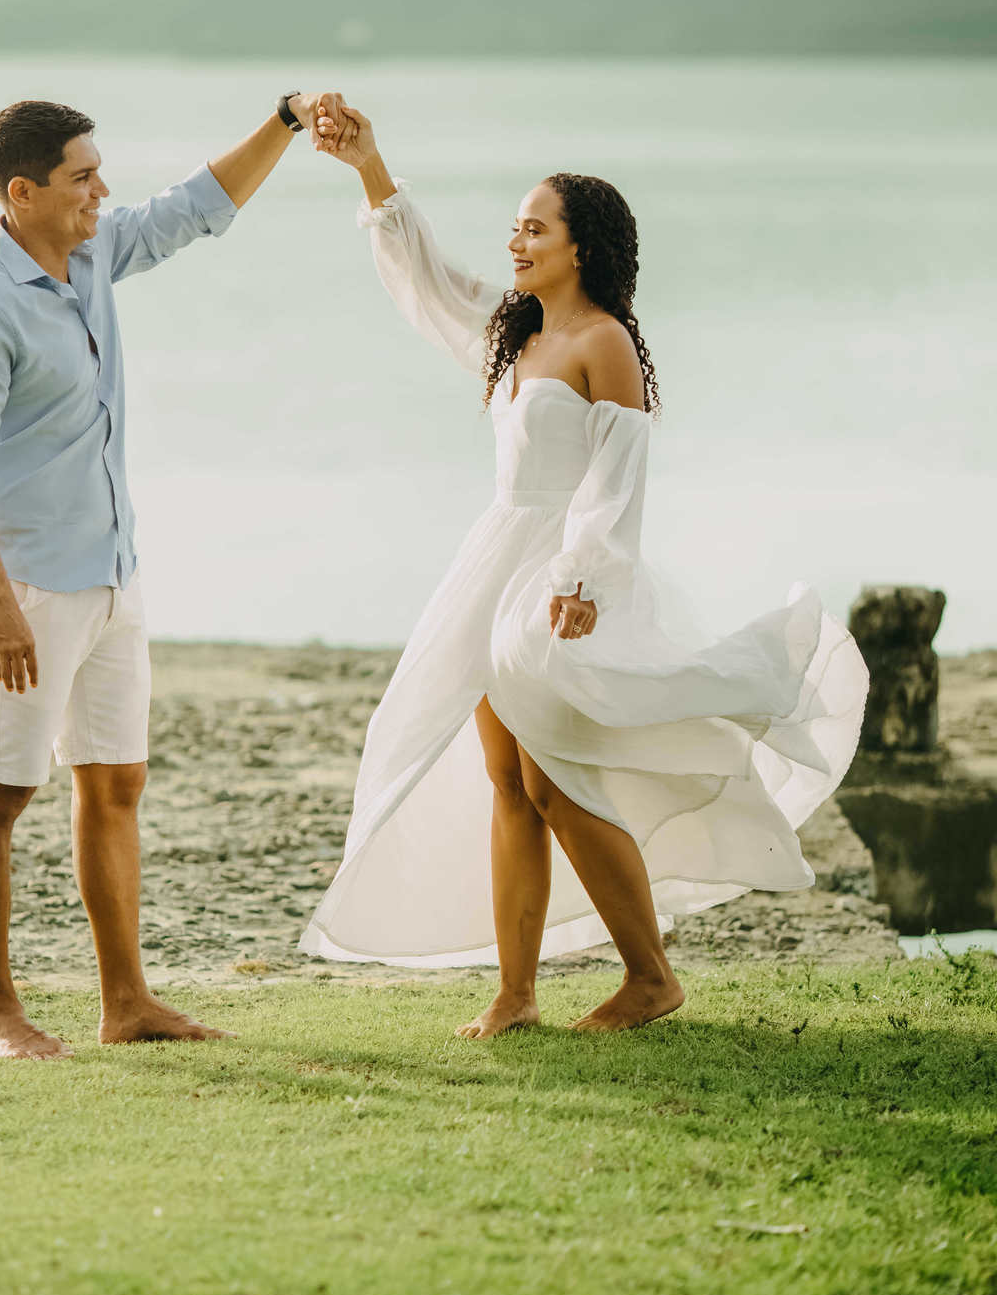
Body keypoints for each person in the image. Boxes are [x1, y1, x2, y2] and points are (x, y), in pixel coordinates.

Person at [300, 105, 868, 1036]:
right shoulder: (511, 332)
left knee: (558, 780)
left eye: (536, 227)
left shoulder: (603, 343)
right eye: (516, 226)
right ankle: (515, 995)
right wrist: (368, 165)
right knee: (512, 782)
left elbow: (617, 481)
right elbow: (425, 277)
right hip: (495, 564)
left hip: (560, 583)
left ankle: (650, 977)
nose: (516, 239)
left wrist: (584, 581)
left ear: (581, 248)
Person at [0, 91, 343, 1059]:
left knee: (114, 783)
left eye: (98, 172)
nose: (101, 192)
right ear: (23, 191)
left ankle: (127, 1003)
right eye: (82, 178)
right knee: (0, 791)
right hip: (27, 584)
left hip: (113, 571)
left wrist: (283, 123)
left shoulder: (90, 255)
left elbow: (193, 206)